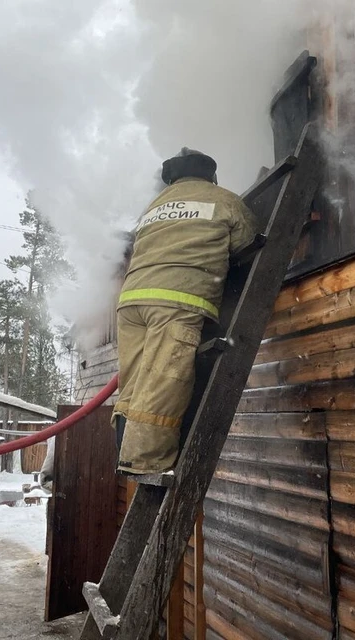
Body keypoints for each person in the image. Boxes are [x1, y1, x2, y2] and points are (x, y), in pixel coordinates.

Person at [114, 148, 257, 476]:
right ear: (211, 174)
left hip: (131, 302)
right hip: (176, 299)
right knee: (165, 382)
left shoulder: (153, 207)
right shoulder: (223, 199)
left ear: (171, 178)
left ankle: (123, 450)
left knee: (134, 382)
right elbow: (248, 241)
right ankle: (146, 461)